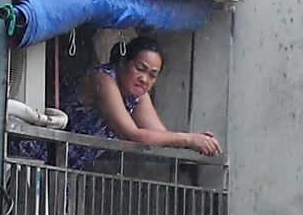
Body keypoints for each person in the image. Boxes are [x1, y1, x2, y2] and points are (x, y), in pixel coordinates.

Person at [60, 34, 221, 168]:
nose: (144, 79)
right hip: (43, 157)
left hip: (66, 167)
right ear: (123, 63)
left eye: (152, 75)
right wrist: (188, 139)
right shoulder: (103, 80)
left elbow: (160, 136)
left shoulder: (136, 95)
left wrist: (196, 141)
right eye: (140, 69)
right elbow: (131, 135)